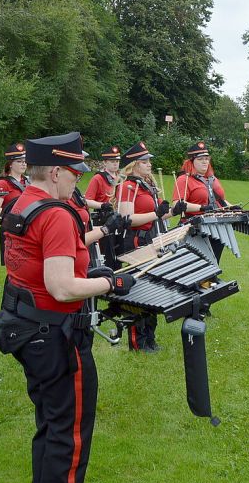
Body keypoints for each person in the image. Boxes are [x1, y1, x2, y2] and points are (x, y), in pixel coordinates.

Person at [1, 132, 134, 483]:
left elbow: (33, 266)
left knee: (50, 426)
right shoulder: (56, 215)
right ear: (56, 172)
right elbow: (61, 287)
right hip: (56, 338)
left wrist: (91, 274)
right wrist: (113, 285)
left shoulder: (23, 202)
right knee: (68, 439)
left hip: (27, 330)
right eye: (74, 172)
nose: (78, 179)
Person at [117, 141, 174, 352]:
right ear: (133, 165)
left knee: (152, 286)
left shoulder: (147, 185)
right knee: (137, 289)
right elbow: (126, 219)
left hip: (151, 237)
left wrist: (174, 210)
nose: (149, 164)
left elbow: (159, 214)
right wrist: (156, 214)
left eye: (149, 161)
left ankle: (150, 337)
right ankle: (137, 342)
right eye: (144, 161)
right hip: (136, 240)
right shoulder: (127, 187)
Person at [172, 141, 232, 261]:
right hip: (195, 230)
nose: (205, 161)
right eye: (200, 159)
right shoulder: (184, 179)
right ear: (191, 161)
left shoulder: (213, 179)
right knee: (197, 266)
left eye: (206, 158)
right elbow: (177, 205)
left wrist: (232, 207)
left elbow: (220, 201)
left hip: (216, 227)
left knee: (214, 263)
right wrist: (202, 208)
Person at [0, 143, 30, 265]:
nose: (23, 164)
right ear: (10, 164)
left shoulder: (28, 181)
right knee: (14, 265)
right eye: (19, 161)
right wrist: (18, 213)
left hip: (28, 226)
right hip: (11, 227)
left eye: (25, 161)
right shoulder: (2, 183)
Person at [83, 145, 121, 211]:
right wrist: (103, 205)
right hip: (104, 216)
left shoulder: (122, 177)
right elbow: (87, 201)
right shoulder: (98, 178)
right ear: (105, 162)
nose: (115, 164)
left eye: (117, 161)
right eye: (112, 161)